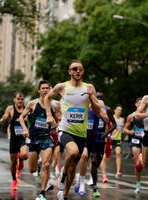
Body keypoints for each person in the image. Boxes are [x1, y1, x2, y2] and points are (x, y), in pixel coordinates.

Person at [44, 59, 109, 200]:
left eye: (80, 69)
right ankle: (62, 174)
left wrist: (92, 99)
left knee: (73, 166)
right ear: (69, 71)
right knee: (73, 152)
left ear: (83, 71)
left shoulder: (89, 88)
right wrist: (49, 115)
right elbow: (47, 98)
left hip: (81, 133)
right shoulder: (62, 87)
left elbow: (97, 109)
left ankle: (64, 194)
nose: (77, 71)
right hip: (65, 129)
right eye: (74, 69)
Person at [19, 80, 60, 200]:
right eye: (43, 88)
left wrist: (56, 123)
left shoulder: (55, 105)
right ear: (39, 90)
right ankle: (37, 165)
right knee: (32, 169)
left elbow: (58, 120)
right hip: (33, 138)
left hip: (46, 139)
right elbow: (21, 117)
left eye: (48, 88)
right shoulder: (32, 104)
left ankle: (42, 193)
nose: (46, 90)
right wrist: (25, 129)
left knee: (47, 164)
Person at [74, 92, 116, 197]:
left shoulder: (107, 109)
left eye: (101, 98)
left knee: (96, 164)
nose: (99, 99)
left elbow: (114, 125)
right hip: (90, 138)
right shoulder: (88, 108)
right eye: (97, 97)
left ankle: (83, 177)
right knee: (92, 160)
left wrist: (106, 133)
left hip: (101, 141)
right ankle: (94, 187)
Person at [0, 92, 29, 190]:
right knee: (12, 163)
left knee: (24, 154)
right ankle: (14, 180)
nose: (20, 101)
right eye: (18, 99)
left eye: (21, 99)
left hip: (23, 138)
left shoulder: (26, 109)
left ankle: (21, 160)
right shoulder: (10, 108)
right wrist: (3, 119)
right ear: (14, 99)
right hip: (14, 138)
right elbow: (5, 116)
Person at [123, 97, 144, 193]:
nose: (141, 105)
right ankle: (138, 184)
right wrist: (130, 131)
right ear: (136, 104)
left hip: (145, 140)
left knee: (143, 161)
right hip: (135, 139)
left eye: (142, 103)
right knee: (138, 164)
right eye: (139, 103)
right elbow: (125, 129)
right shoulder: (131, 116)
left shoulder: (147, 115)